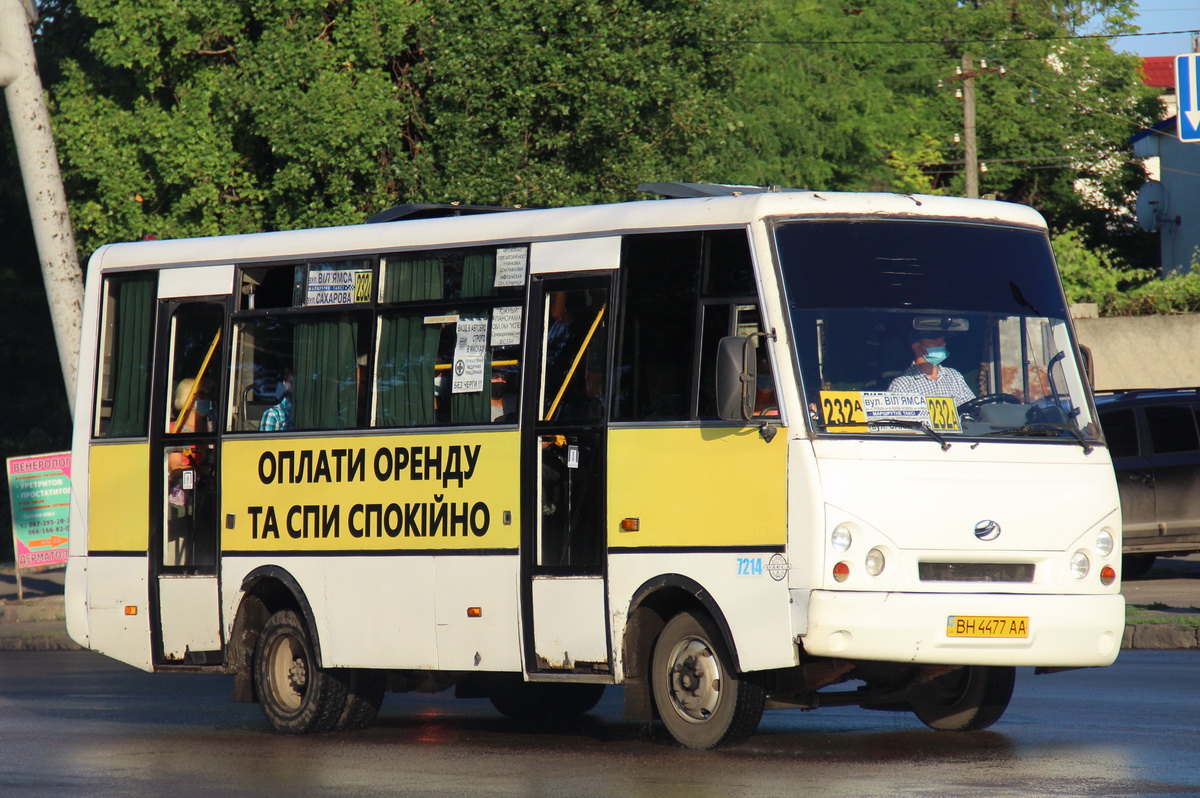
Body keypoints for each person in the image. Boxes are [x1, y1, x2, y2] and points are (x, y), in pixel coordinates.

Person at [888, 330, 975, 406]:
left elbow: (973, 408)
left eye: (943, 339)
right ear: (917, 347)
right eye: (934, 340)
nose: (943, 343)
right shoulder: (902, 385)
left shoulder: (954, 376)